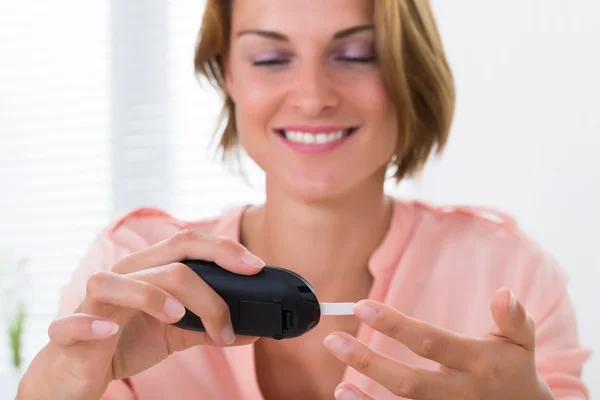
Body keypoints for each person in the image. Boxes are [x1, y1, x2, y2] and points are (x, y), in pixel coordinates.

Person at [17, 0, 591, 399]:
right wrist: (63, 384)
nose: (314, 96)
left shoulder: (508, 277)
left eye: (356, 54)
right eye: (271, 58)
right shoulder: (136, 271)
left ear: (407, 70)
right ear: (229, 77)